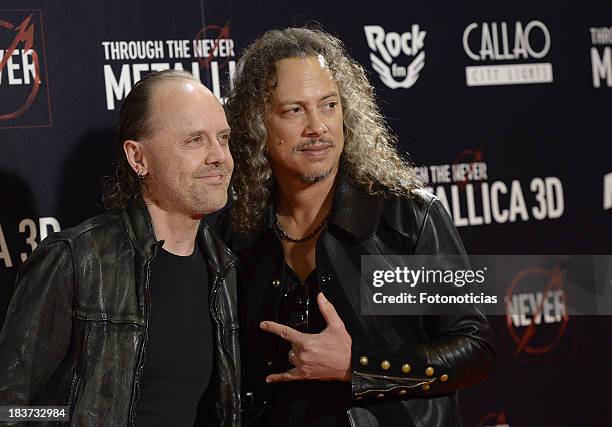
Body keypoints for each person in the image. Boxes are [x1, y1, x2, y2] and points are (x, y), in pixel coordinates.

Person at [222, 28, 495, 426]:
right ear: (256, 125)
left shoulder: (407, 219)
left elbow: (475, 349)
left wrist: (358, 366)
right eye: (293, 110)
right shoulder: (235, 232)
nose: (317, 127)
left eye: (328, 105)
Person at [0, 70, 241, 426]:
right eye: (194, 141)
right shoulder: (75, 260)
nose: (219, 156)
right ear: (137, 157)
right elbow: (8, 407)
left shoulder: (222, 267)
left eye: (223, 138)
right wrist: (69, 417)